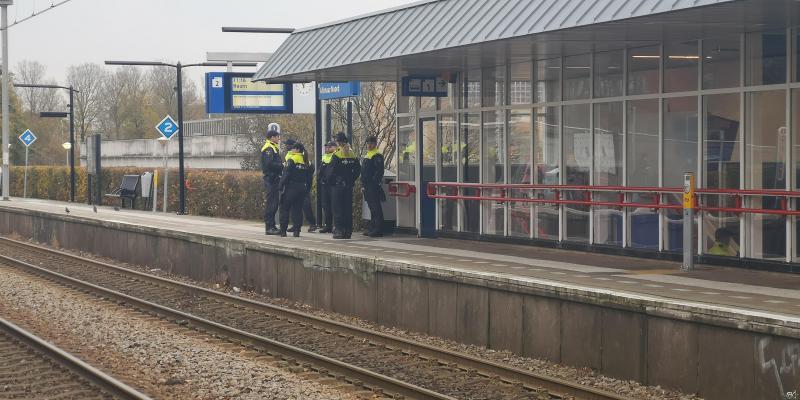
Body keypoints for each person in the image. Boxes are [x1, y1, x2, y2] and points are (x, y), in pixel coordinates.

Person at [325, 132, 360, 239]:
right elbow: (358, 170)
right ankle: (347, 231)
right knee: (347, 208)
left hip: (338, 186)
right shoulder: (352, 154)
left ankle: (339, 230)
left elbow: (330, 171)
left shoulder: (337, 155)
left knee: (337, 208)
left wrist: (331, 181)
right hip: (348, 186)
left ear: (339, 142)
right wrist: (351, 180)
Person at [283, 140, 318, 232]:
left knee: (305, 205)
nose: (286, 146)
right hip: (298, 185)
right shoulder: (289, 155)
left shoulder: (299, 156)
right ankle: (296, 226)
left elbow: (310, 167)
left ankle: (312, 223)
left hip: (300, 185)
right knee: (296, 207)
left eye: (287, 145)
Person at [278, 142, 312, 237]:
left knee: (285, 208)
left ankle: (283, 231)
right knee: (297, 209)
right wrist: (307, 188)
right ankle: (297, 231)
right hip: (302, 188)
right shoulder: (306, 161)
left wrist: (280, 186)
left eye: (293, 148)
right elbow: (309, 177)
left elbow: (286, 174)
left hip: (291, 188)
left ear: (297, 149)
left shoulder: (292, 160)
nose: (291, 150)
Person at [260, 123, 282, 235]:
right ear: (272, 137)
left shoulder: (273, 147)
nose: (279, 138)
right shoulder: (269, 148)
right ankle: (269, 227)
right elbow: (269, 164)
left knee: (274, 203)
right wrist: (282, 165)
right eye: (278, 136)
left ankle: (272, 226)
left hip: (274, 179)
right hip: (271, 179)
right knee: (271, 204)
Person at [361, 136, 385, 237]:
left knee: (376, 207)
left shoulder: (377, 155)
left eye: (371, 143)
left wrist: (374, 182)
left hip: (373, 185)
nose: (369, 145)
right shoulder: (368, 155)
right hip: (367, 185)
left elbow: (379, 171)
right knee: (371, 206)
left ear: (375, 144)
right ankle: (372, 227)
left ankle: (378, 229)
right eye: (368, 143)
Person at [317, 141, 337, 233]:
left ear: (334, 147)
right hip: (324, 185)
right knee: (325, 206)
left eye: (329, 147)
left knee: (334, 206)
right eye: (326, 147)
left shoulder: (336, 156)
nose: (327, 149)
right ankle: (328, 225)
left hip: (333, 185)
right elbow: (320, 170)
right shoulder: (324, 157)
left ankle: (336, 226)